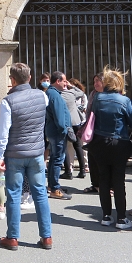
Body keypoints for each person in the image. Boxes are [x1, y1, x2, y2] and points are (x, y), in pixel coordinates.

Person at [0, 62, 52, 251]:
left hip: (16, 153)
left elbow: (2, 132)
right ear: (29, 78)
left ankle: (13, 237)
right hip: (36, 152)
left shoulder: (7, 102)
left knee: (13, 193)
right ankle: (47, 236)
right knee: (40, 193)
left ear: (12, 80)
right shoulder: (42, 96)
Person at [87, 66, 132, 230]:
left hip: (99, 141)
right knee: (118, 180)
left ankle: (106, 216)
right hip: (118, 142)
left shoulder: (98, 98)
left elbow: (93, 116)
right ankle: (121, 218)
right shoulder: (124, 101)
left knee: (103, 179)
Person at [45, 71, 73, 200]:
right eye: (64, 81)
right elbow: (59, 117)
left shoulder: (52, 93)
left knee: (54, 159)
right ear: (58, 81)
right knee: (57, 160)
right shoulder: (54, 95)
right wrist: (64, 130)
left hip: (53, 131)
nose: (66, 83)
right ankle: (55, 188)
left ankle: (52, 186)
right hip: (57, 133)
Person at [83, 73, 103, 194]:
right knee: (93, 158)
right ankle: (96, 184)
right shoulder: (93, 94)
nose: (95, 83)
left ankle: (108, 186)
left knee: (103, 159)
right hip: (92, 129)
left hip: (103, 130)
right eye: (94, 81)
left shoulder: (108, 95)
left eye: (98, 81)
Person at [64, 78, 87, 179]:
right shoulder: (72, 93)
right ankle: (82, 170)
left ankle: (68, 171)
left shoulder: (59, 94)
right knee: (77, 145)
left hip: (65, 122)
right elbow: (81, 92)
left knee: (64, 146)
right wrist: (71, 86)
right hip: (75, 121)